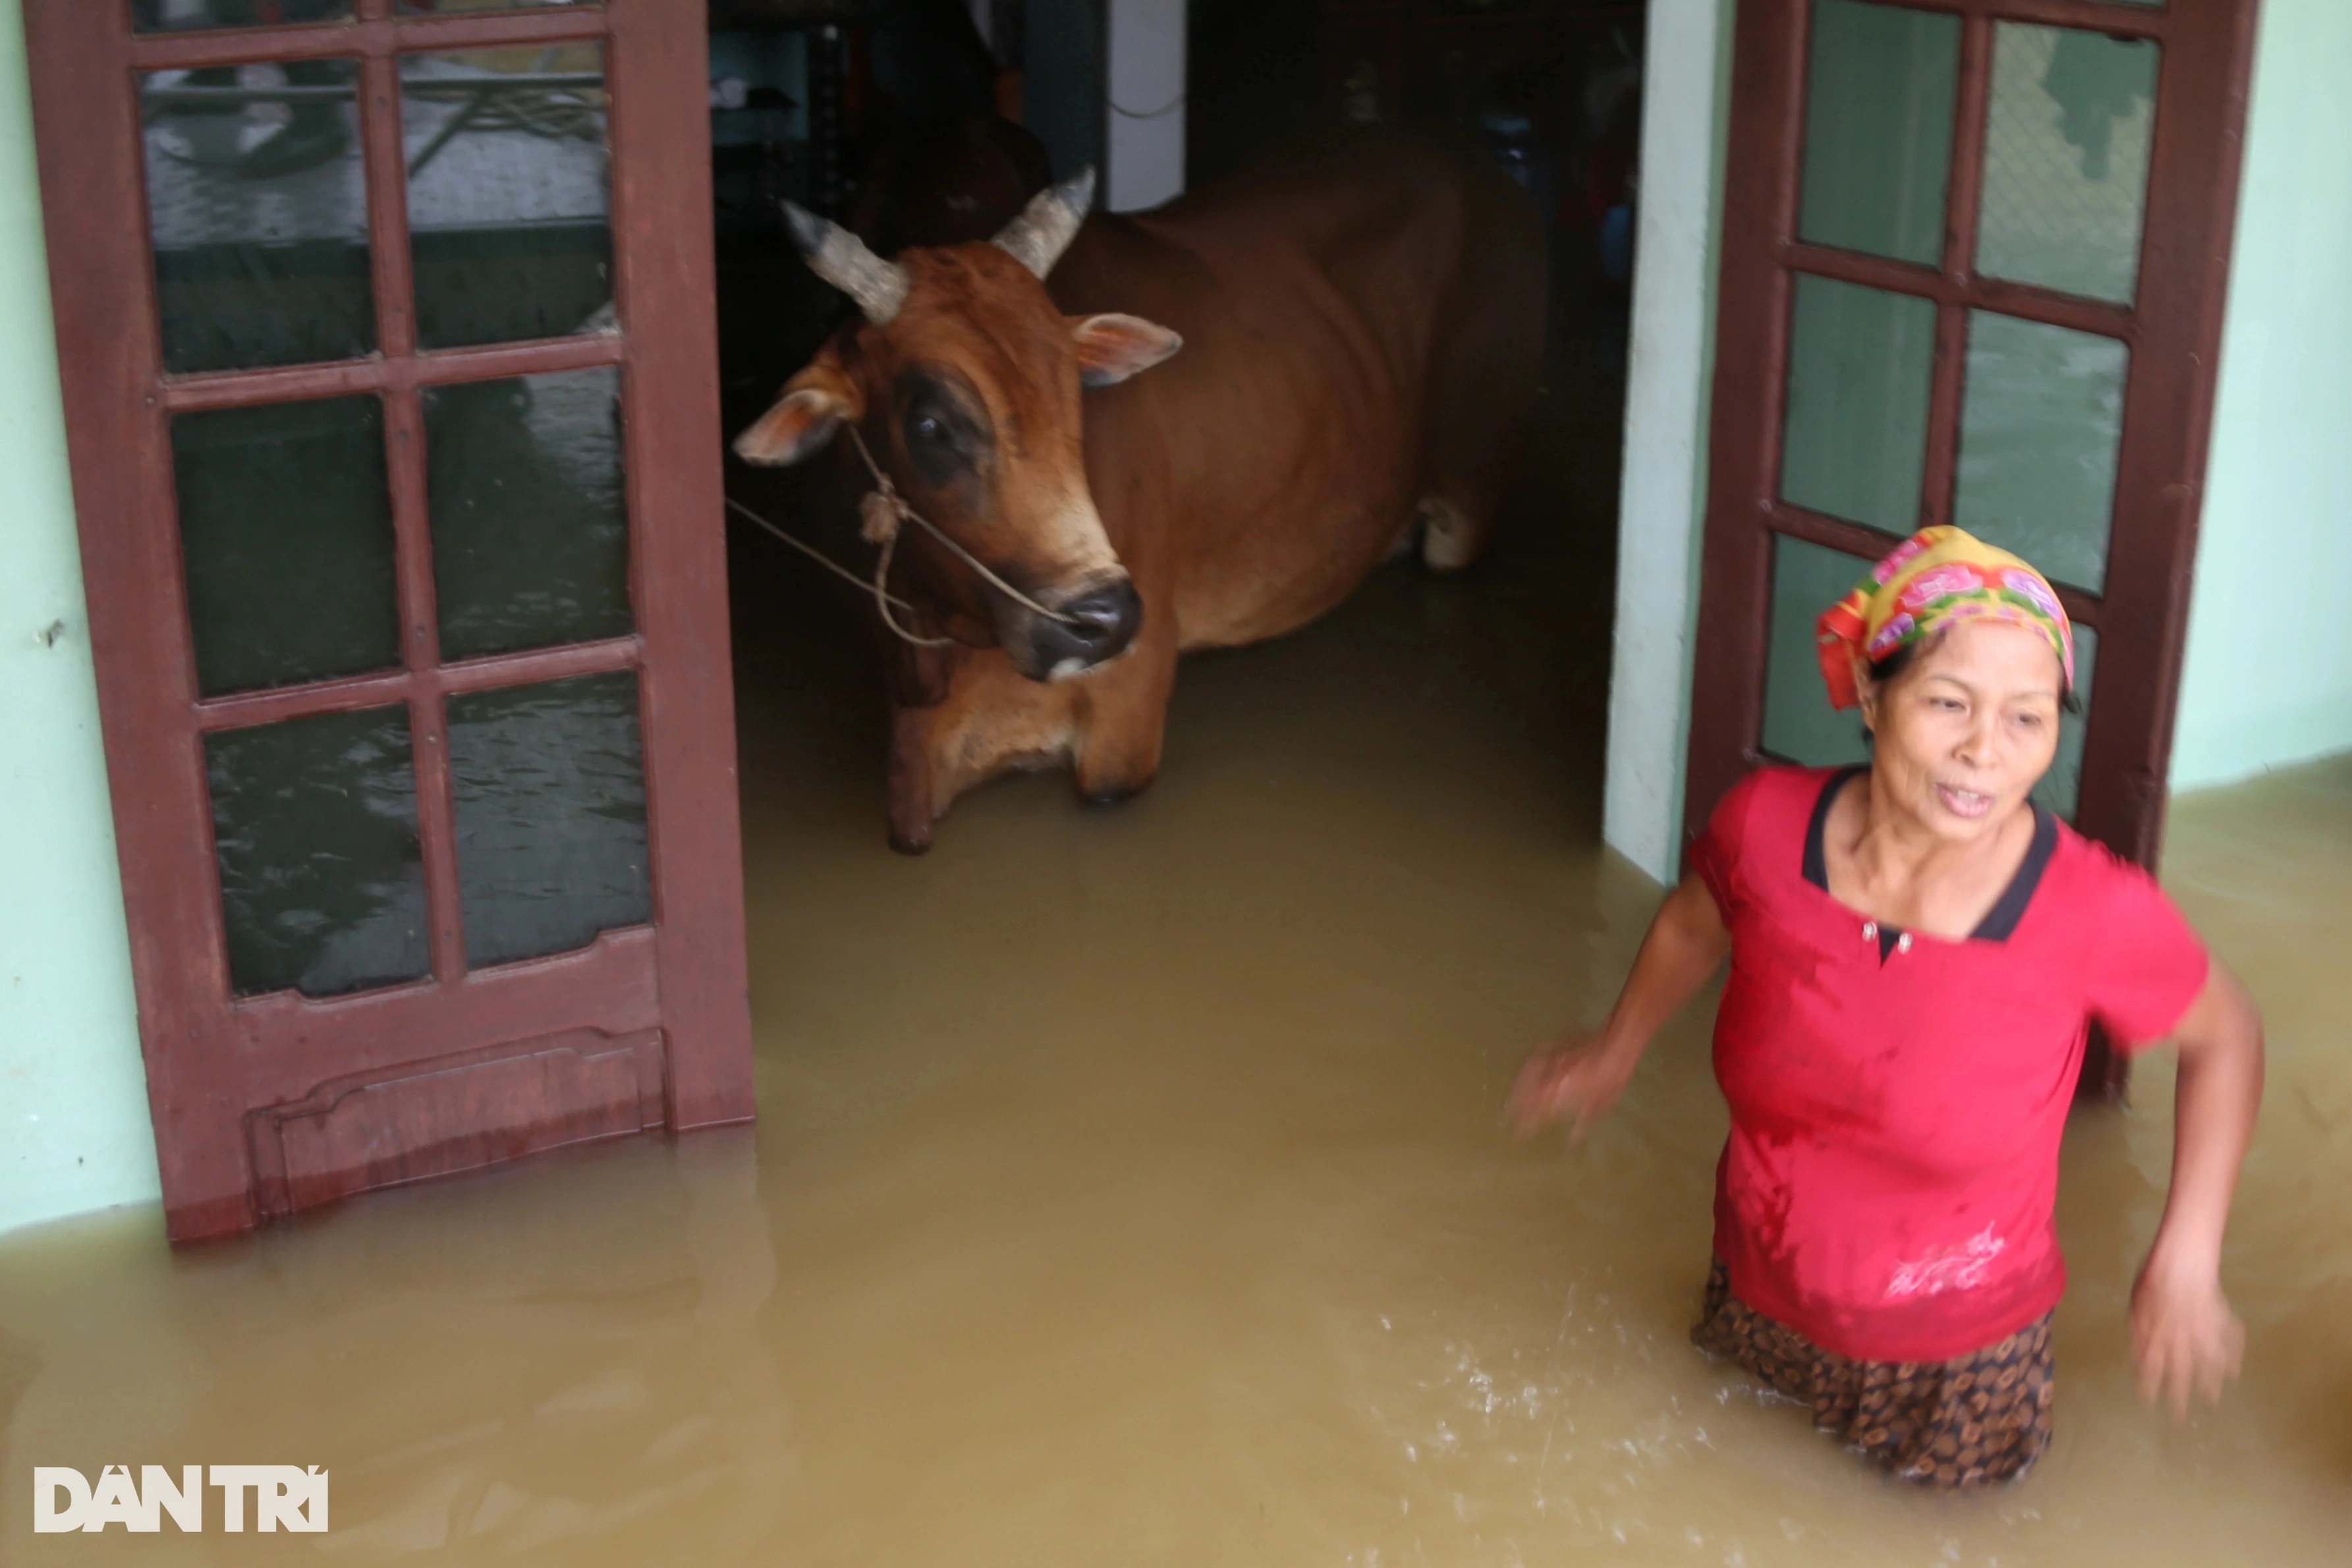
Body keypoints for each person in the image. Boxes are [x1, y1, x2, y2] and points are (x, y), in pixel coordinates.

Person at [1509, 526, 2264, 1489]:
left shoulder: (2088, 909)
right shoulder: (1766, 826)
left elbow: (2226, 1036)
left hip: (1954, 1364)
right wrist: (1615, 1047)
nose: (1983, 752)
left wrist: (2187, 1255)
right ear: (1871, 694)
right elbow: (1696, 923)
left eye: (2027, 719)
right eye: (1947, 702)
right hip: (1754, 1287)